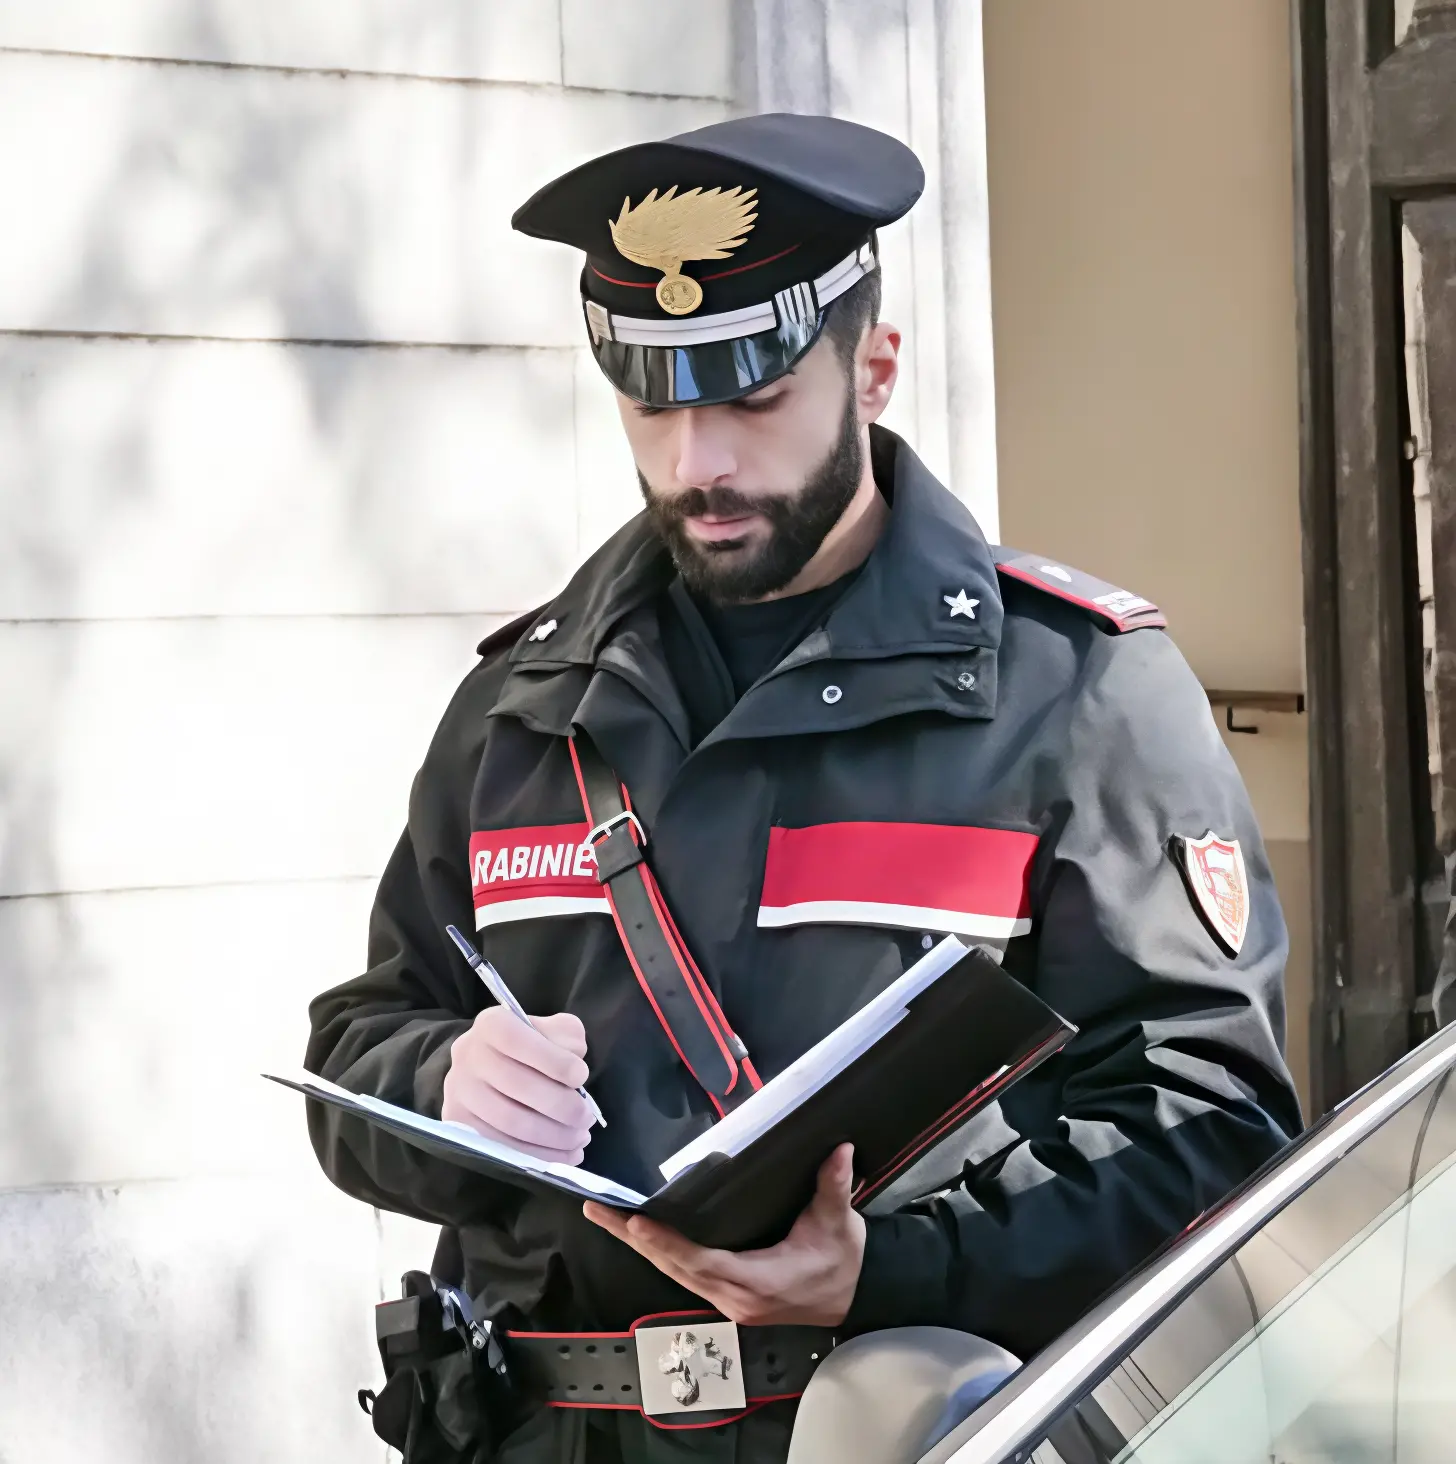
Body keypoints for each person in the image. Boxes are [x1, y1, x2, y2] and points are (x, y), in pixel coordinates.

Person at [304, 113, 1302, 1463]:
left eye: (755, 399)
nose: (697, 461)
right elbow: (358, 1051)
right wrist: (444, 1081)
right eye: (654, 405)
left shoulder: (1072, 692)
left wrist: (893, 1269)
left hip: (896, 1430)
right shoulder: (521, 710)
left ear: (875, 367)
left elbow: (1208, 1123)